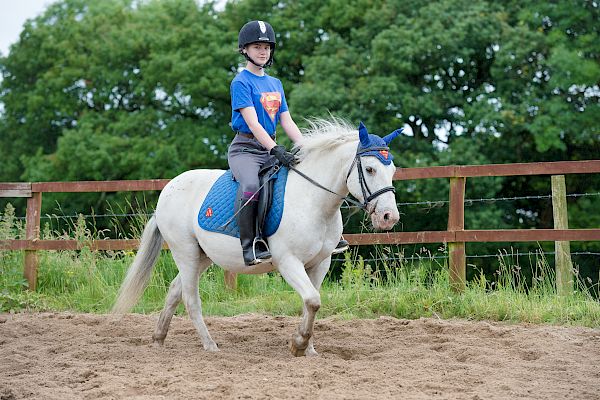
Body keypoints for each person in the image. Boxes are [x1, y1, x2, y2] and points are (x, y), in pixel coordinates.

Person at [228, 20, 349, 266]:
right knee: (251, 185)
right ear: (245, 50)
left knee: (308, 178)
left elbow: (287, 121)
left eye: (267, 47)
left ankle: (329, 236)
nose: (263, 51)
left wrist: (307, 148)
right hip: (246, 150)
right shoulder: (241, 82)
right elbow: (253, 124)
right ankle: (250, 243)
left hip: (271, 148)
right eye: (257, 46)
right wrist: (274, 149)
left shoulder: (275, 84)